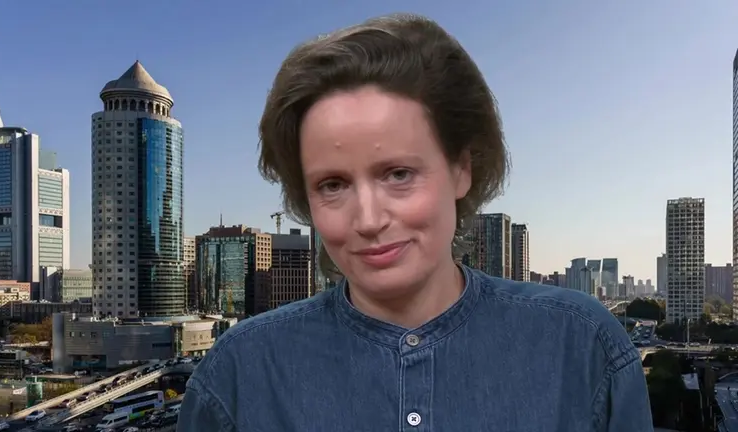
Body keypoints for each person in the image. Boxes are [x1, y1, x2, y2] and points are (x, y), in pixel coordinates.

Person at [178, 13, 653, 432]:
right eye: (333, 184)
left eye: (398, 174)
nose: (368, 220)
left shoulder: (581, 345)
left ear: (461, 169)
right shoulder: (238, 373)